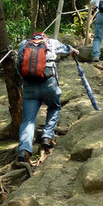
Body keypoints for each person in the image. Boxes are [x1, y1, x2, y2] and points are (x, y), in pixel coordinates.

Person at [15, 32, 79, 163]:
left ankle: (24, 151)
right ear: (44, 37)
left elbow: (18, 66)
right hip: (49, 84)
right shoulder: (51, 42)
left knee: (28, 120)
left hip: (29, 86)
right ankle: (47, 136)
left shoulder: (23, 44)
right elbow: (66, 49)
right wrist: (73, 50)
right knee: (55, 107)